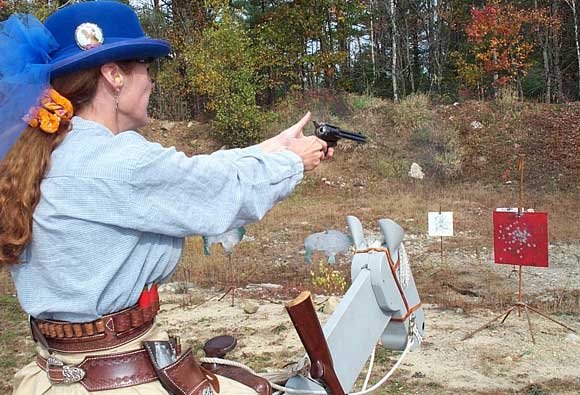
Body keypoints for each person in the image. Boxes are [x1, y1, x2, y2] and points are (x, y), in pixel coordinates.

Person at [0, 2, 332, 394]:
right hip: (118, 381)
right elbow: (218, 192)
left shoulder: (53, 150)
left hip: (56, 374)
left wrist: (270, 149)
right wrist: (295, 162)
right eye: (146, 67)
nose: (151, 81)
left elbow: (190, 173)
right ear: (113, 75)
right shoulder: (117, 160)